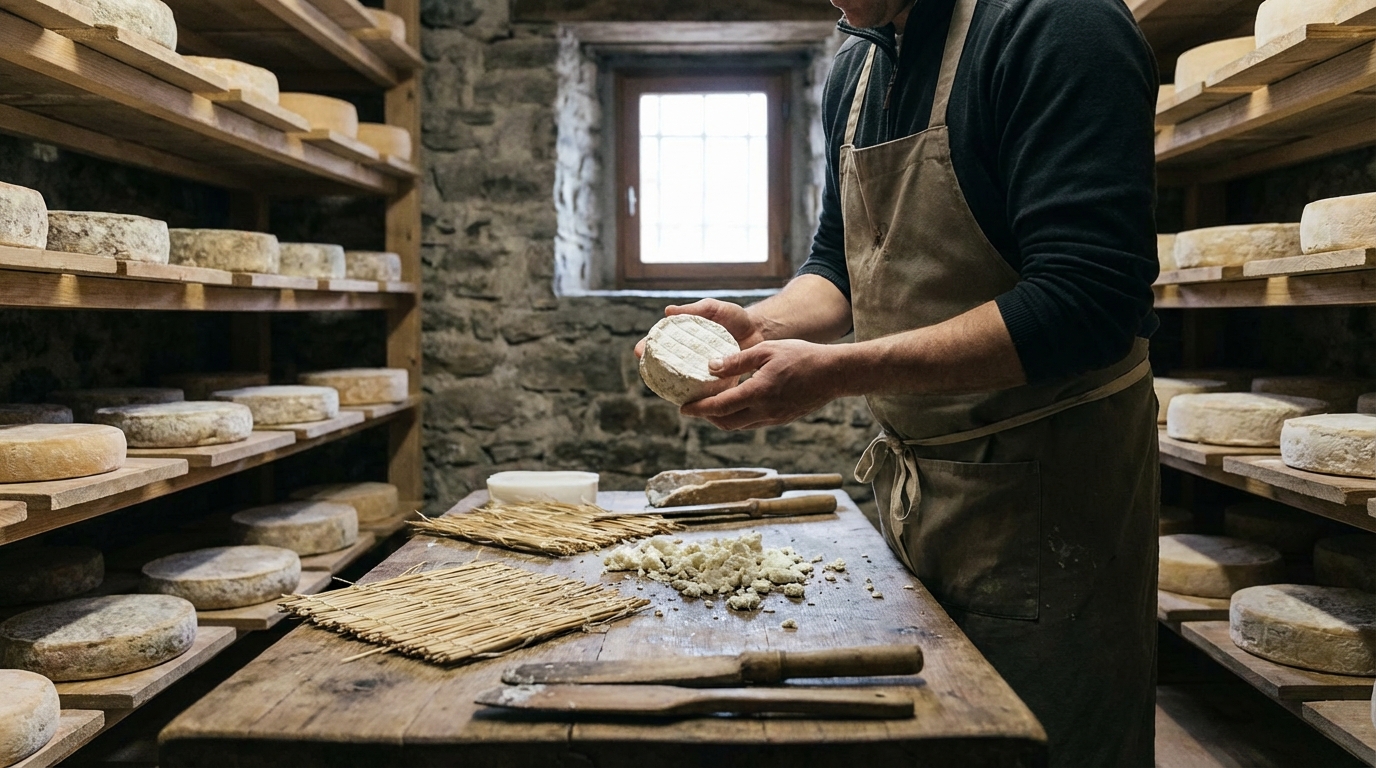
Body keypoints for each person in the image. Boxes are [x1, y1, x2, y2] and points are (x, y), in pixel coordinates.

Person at [637, 0, 1161, 764]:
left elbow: (1088, 300)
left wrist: (836, 372)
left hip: (1054, 486)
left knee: (1048, 741)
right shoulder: (858, 61)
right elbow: (837, 263)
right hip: (923, 491)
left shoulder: (1061, 24)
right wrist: (764, 328)